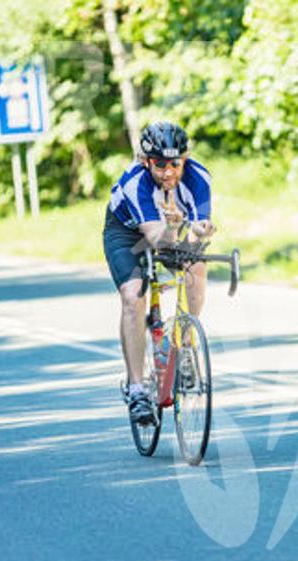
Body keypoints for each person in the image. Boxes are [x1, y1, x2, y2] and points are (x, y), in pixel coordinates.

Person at [102, 122, 216, 423]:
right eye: (160, 164)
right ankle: (136, 388)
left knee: (196, 266)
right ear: (145, 161)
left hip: (169, 229)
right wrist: (175, 227)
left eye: (175, 163)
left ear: (185, 158)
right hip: (127, 234)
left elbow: (194, 237)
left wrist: (197, 233)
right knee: (133, 295)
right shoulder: (135, 183)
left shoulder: (199, 178)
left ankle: (186, 347)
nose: (168, 172)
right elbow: (156, 239)